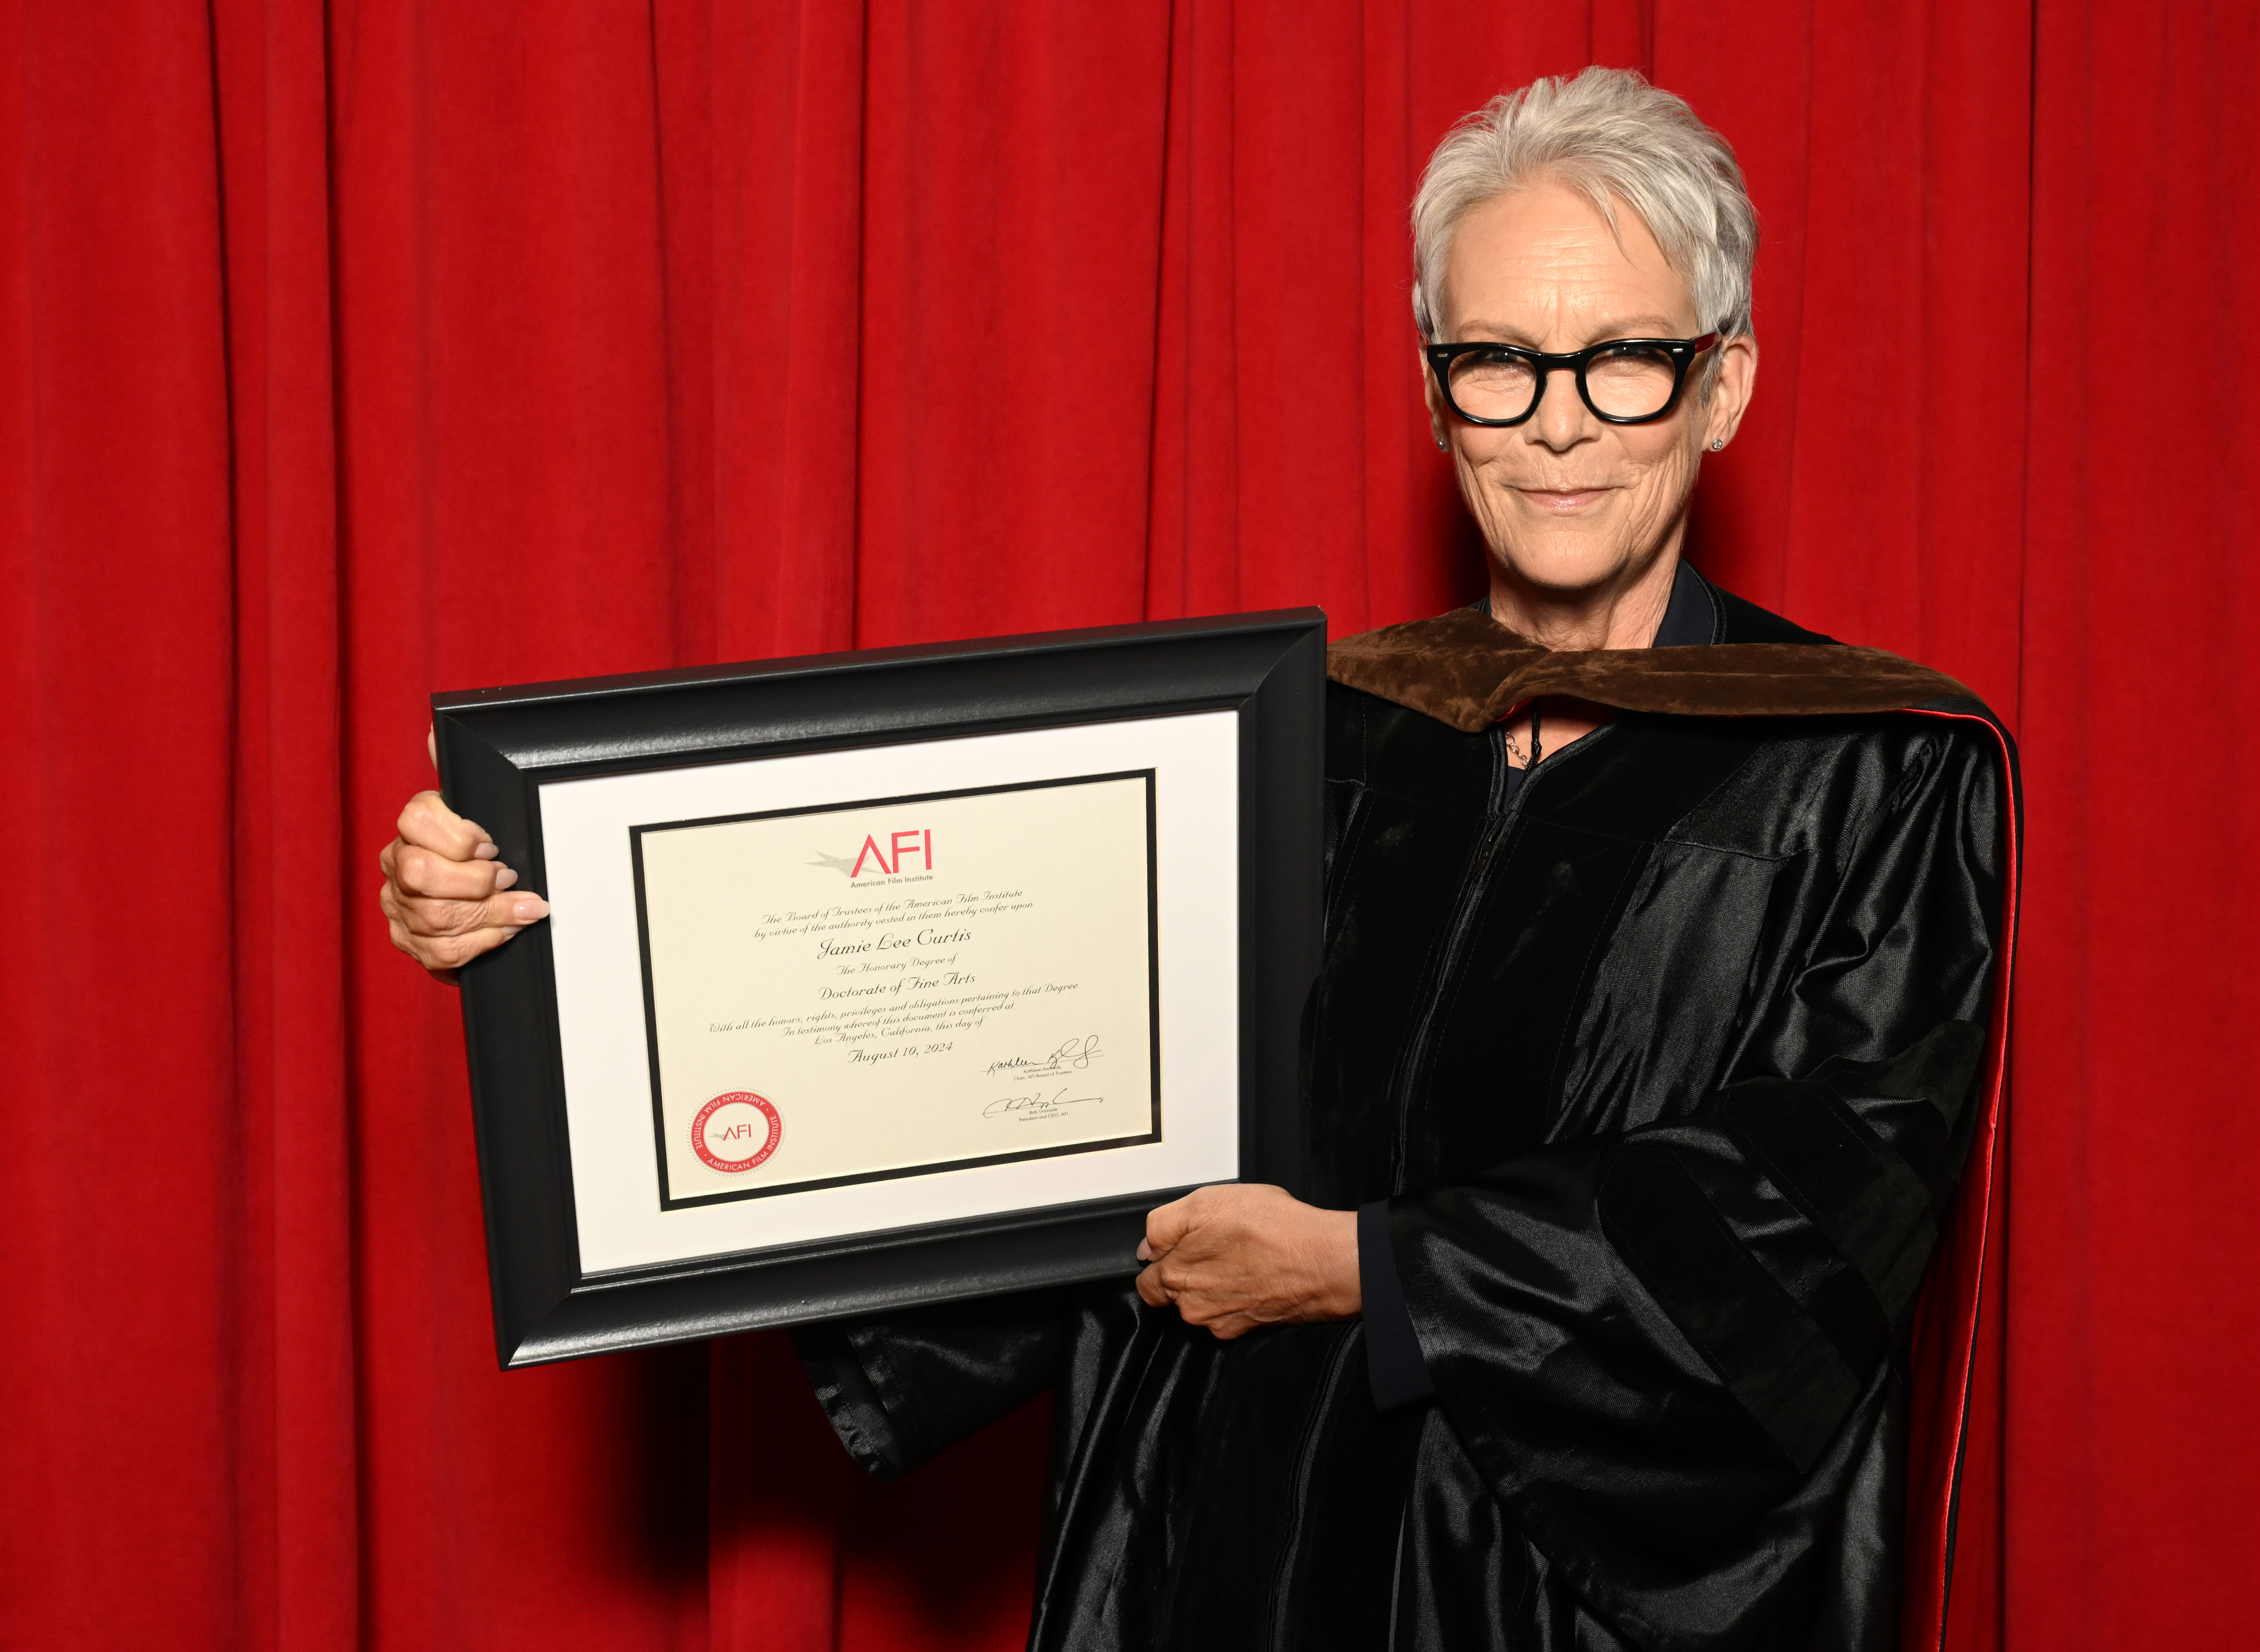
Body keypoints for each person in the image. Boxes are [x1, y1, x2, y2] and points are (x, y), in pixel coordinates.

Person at [380, 67, 2014, 1652]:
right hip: (1230, 1524)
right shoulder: (1310, 741)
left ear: (1720, 384)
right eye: (1496, 361)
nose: (1555, 427)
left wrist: (1375, 1270)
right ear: (1431, 384)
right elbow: (1009, 1077)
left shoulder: (1871, 768)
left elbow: (1811, 1210)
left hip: (1554, 1586)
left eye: (1625, 363)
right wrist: (572, 940)